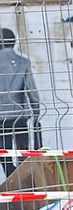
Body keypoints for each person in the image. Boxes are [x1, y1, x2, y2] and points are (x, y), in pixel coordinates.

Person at [0, 28, 40, 179]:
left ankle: (11, 181)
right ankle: (24, 183)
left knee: (4, 154)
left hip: (0, 120)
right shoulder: (23, 62)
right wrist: (35, 114)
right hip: (19, 116)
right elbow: (32, 92)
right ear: (14, 41)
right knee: (23, 153)